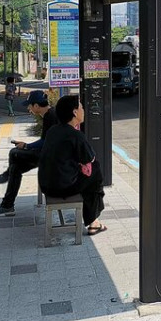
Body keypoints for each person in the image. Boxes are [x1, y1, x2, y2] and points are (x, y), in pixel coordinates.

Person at [38, 95, 106, 235]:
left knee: (87, 177)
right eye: (81, 107)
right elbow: (90, 158)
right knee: (95, 172)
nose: (83, 110)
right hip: (62, 188)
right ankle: (94, 222)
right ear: (75, 112)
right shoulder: (76, 135)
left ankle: (93, 220)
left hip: (46, 185)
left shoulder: (53, 131)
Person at [0, 90, 57, 218]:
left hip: (51, 158)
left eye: (29, 105)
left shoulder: (51, 116)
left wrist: (26, 146)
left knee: (14, 153)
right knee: (16, 168)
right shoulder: (50, 114)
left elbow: (45, 141)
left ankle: (7, 178)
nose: (28, 108)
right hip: (47, 154)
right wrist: (27, 146)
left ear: (36, 106)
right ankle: (7, 205)